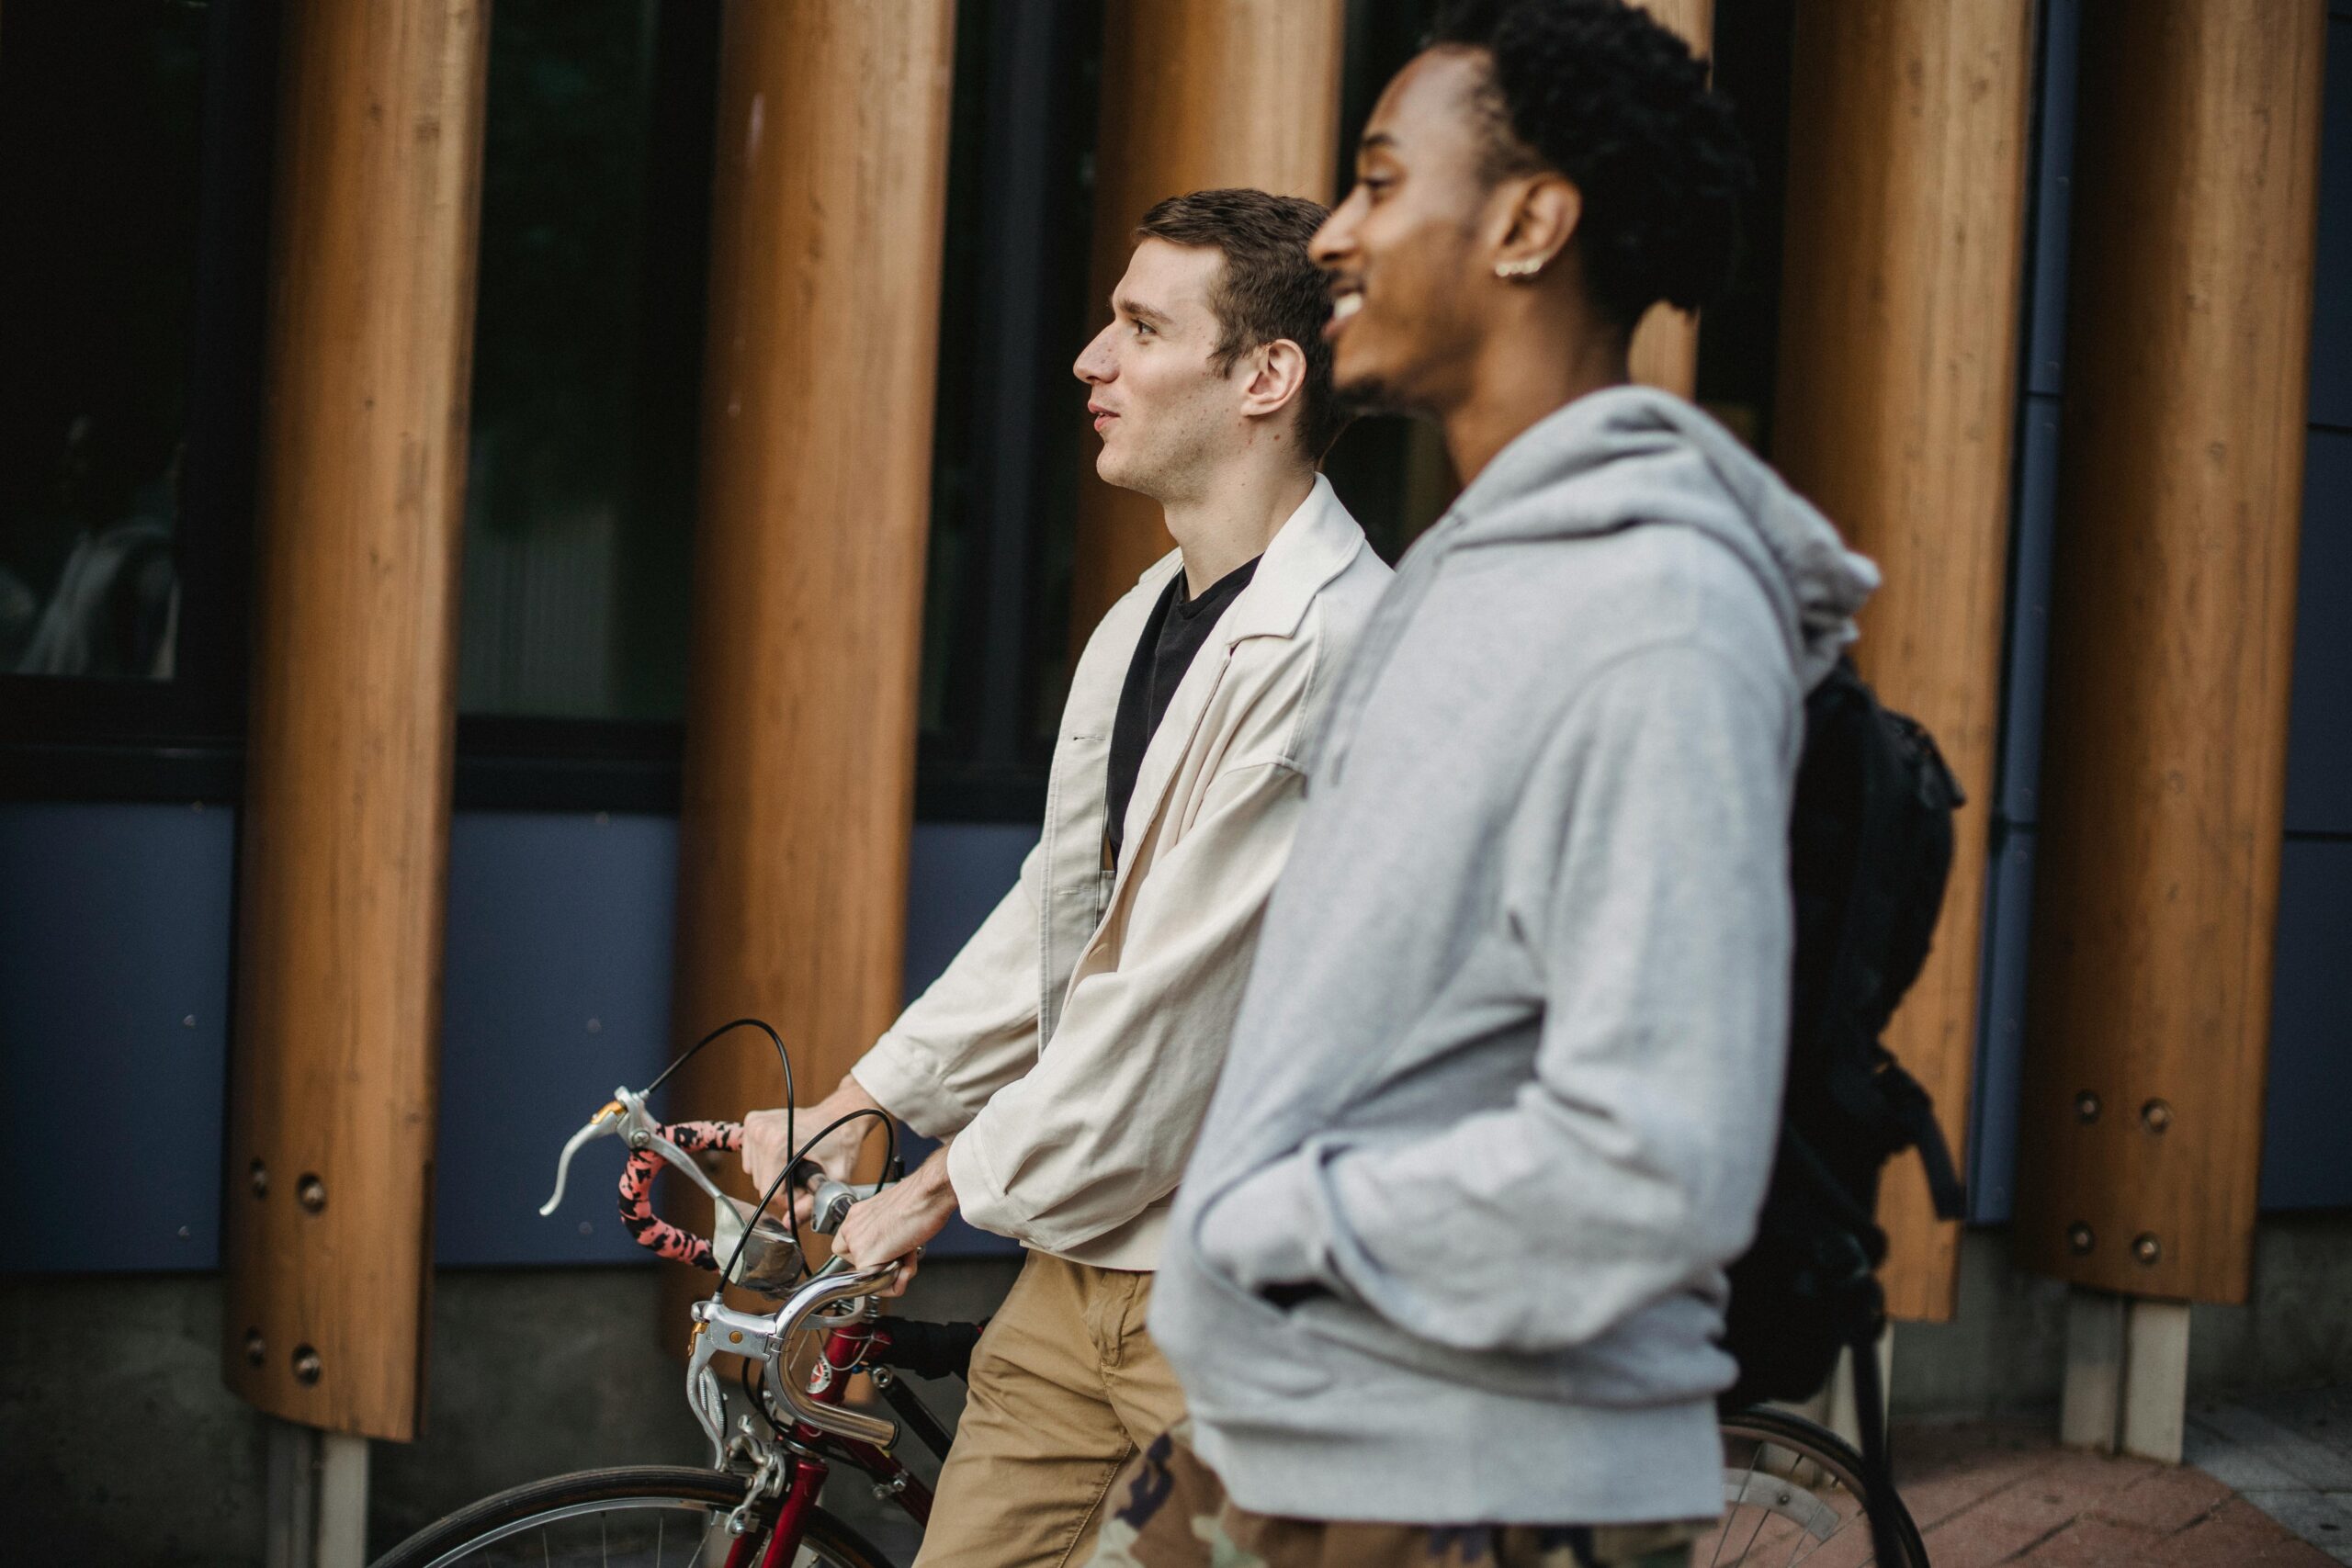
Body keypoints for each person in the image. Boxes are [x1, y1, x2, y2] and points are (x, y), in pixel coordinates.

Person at [1102, 5, 1880, 1566]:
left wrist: (1277, 1220)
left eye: (1383, 183)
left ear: (1529, 223)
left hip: (1485, 1488)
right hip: (1306, 1425)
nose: (1333, 235)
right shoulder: (1471, 579)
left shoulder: (1657, 612)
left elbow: (1654, 1148)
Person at [742, 188, 1391, 1568]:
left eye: (1142, 326)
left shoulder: (1335, 649)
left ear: (1265, 375)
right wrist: (864, 1104)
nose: (1092, 360)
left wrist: (927, 1191)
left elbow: (1164, 1009)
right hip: (1080, 1274)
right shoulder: (1146, 619)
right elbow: (1068, 915)